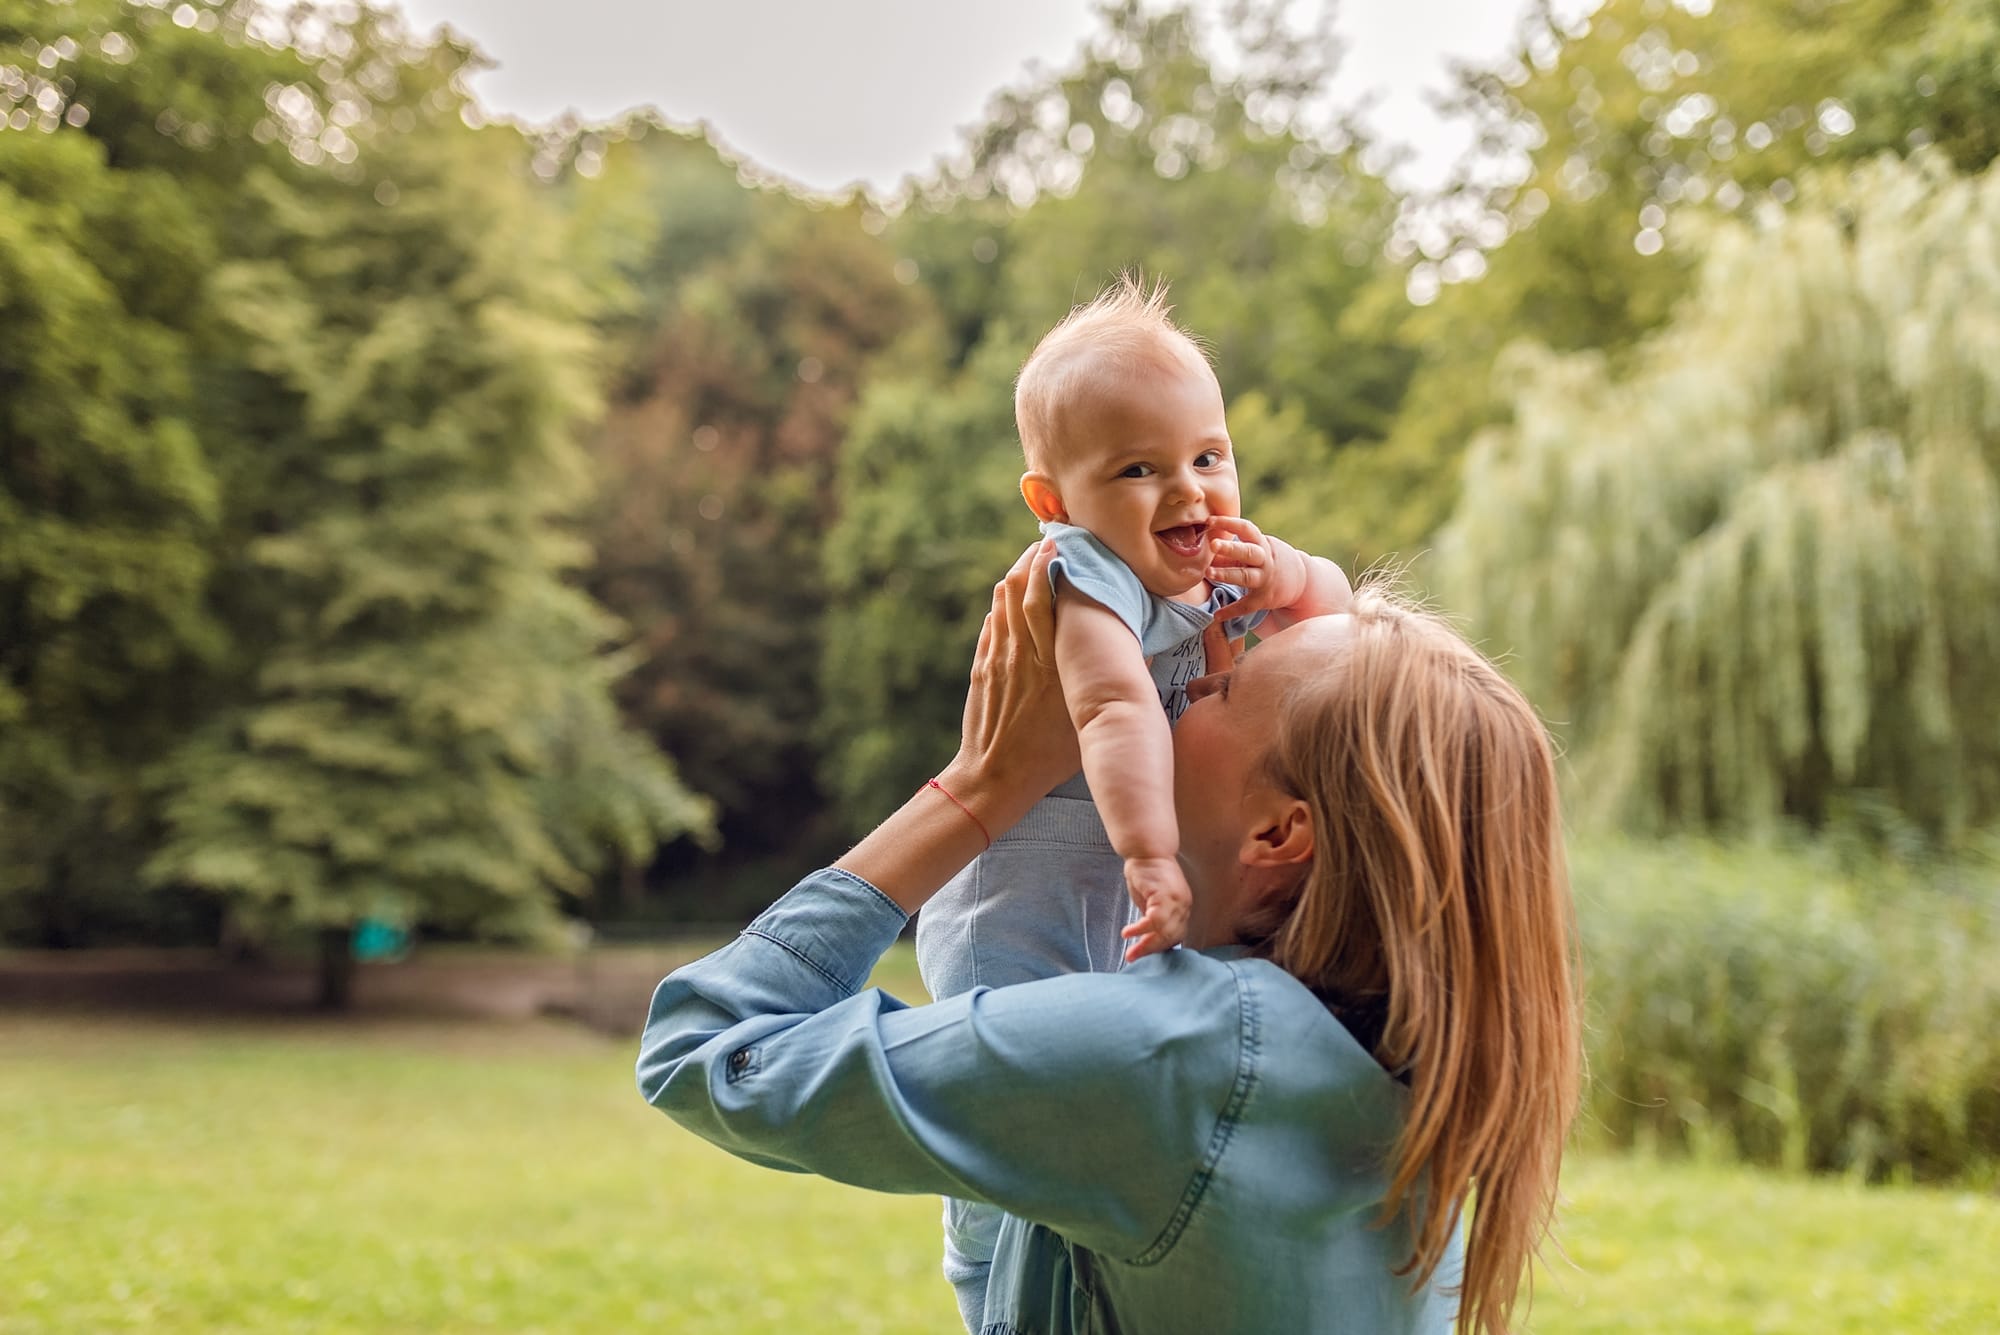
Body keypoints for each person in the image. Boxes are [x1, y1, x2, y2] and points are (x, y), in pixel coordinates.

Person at [637, 543, 1582, 1335]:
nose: (1192, 682)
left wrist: (980, 788)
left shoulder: (1175, 1062)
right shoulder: (1416, 1068)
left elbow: (702, 1049)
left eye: (1225, 686)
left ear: (1280, 834)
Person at [915, 278, 1352, 1322]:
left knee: (1106, 1105)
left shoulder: (1202, 577)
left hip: (1108, 906)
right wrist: (1152, 856)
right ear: (1055, 501)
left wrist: (1290, 570)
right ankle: (989, 1296)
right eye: (1138, 470)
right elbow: (1113, 710)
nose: (1189, 494)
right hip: (1014, 921)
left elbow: (1335, 632)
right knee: (999, 1138)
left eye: (1208, 458)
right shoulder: (1079, 579)